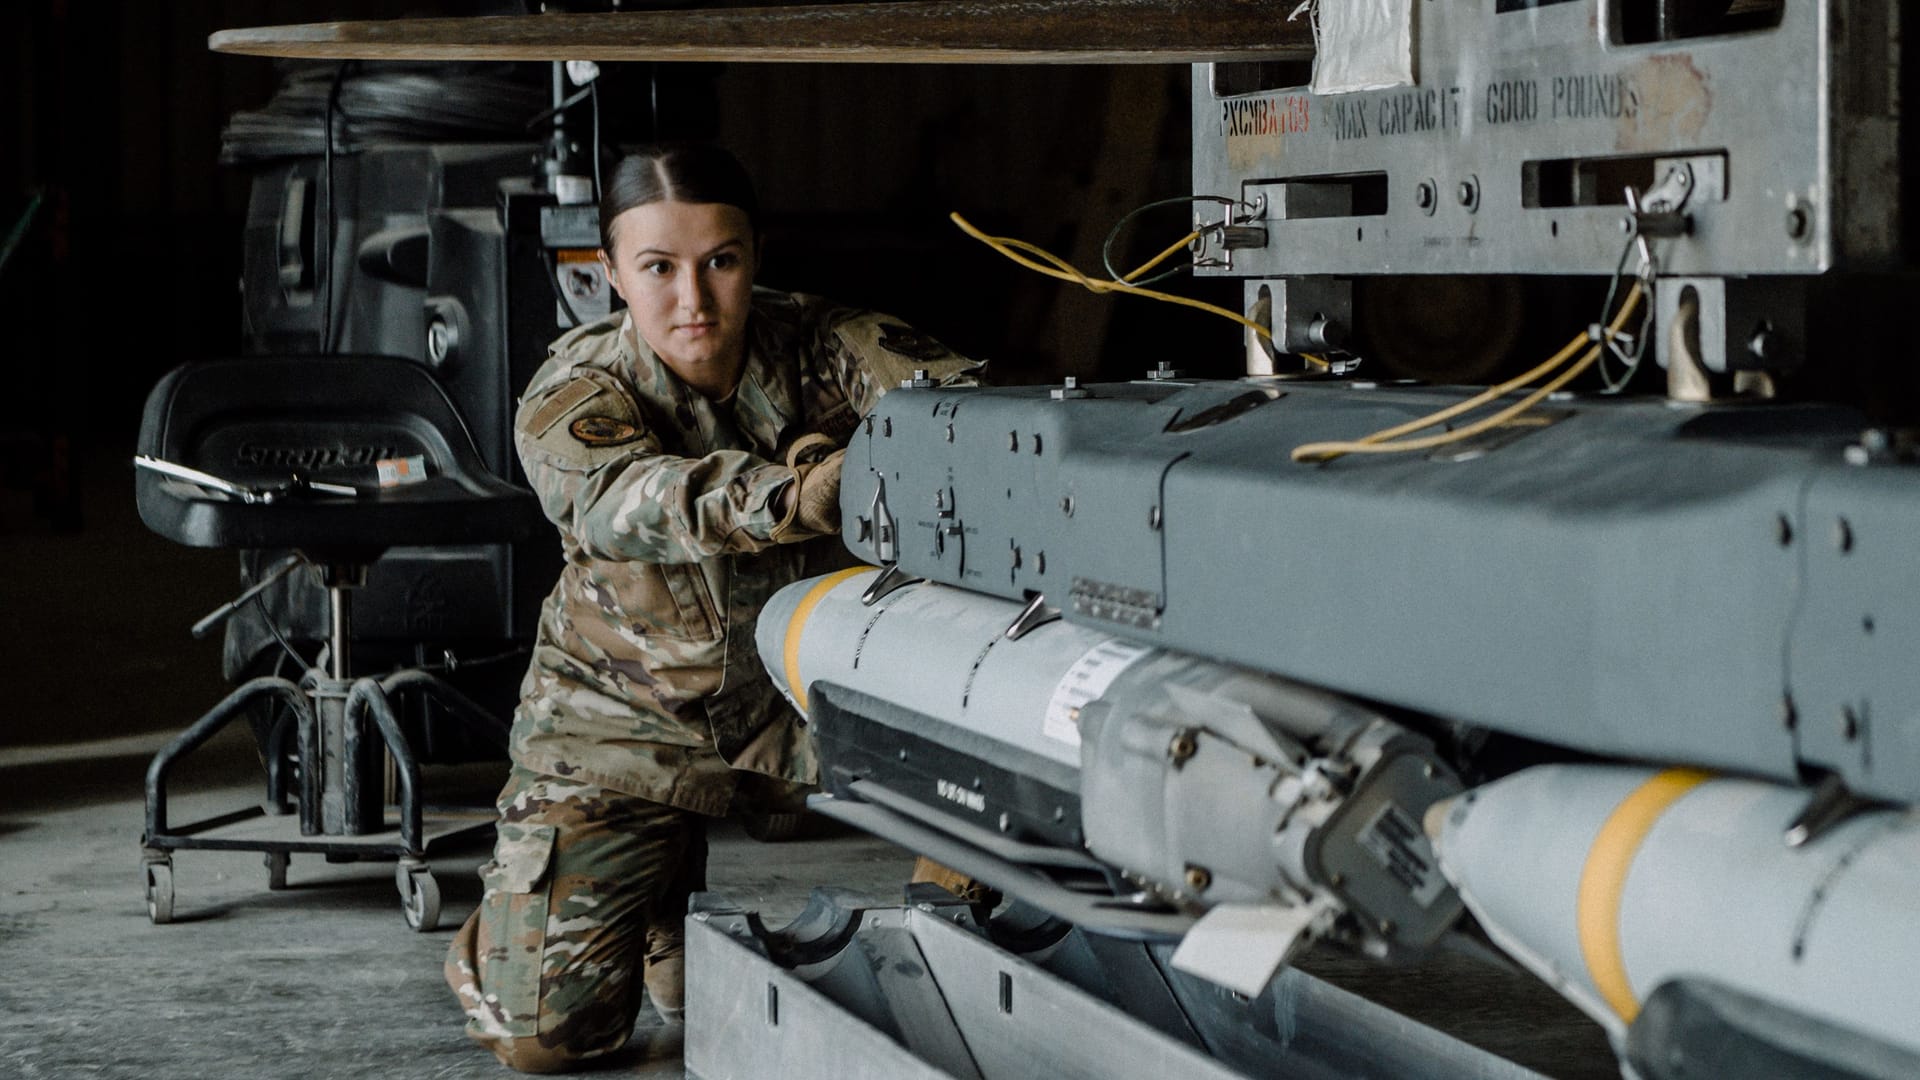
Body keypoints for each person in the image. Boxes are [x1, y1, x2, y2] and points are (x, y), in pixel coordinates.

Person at [444, 143, 981, 1073]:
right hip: (628, 724)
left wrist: (900, 452)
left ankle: (963, 965)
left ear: (755, 256)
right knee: (541, 1038)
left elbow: (977, 427)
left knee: (1010, 783)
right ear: (608, 271)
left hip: (815, 707)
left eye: (720, 262)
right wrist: (793, 494)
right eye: (657, 268)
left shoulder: (833, 346)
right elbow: (626, 496)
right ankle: (630, 899)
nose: (693, 301)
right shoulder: (575, 390)